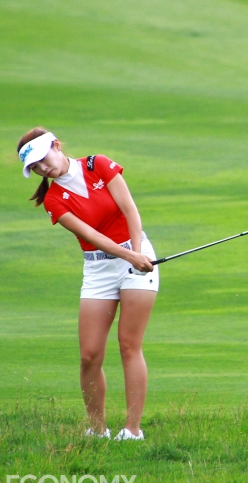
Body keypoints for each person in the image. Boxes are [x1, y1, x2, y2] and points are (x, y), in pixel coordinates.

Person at [16, 127, 158, 441]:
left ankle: (132, 430)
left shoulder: (98, 165)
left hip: (137, 255)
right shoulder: (53, 200)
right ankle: (97, 430)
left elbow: (129, 209)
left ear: (56, 145)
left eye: (43, 159)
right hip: (98, 269)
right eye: (35, 167)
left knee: (129, 345)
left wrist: (137, 253)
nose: (43, 168)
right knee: (89, 356)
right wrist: (128, 256)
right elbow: (91, 236)